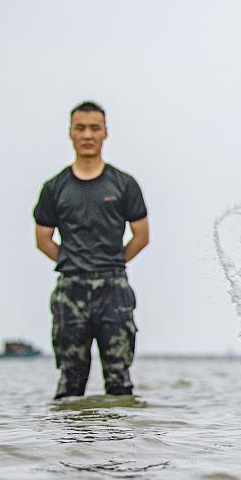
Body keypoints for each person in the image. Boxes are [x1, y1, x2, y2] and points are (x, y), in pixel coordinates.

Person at [33, 101, 149, 399]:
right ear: (71, 133)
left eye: (94, 128)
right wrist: (73, 262)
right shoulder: (54, 187)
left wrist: (112, 263)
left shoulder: (124, 184)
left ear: (105, 133)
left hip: (114, 288)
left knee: (120, 382)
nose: (87, 134)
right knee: (70, 383)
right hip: (70, 290)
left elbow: (141, 236)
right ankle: (72, 444)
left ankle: (119, 445)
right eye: (80, 128)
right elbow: (43, 239)